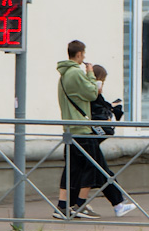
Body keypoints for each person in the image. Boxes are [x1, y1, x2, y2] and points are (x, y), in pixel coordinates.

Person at [55, 39, 99, 219]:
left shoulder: (63, 75)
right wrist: (90, 74)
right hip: (81, 129)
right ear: (79, 54)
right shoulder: (76, 73)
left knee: (71, 168)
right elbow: (92, 93)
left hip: (69, 129)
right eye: (83, 54)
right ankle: (80, 205)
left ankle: (62, 205)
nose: (84, 58)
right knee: (91, 166)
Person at [84, 64, 136, 217]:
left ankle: (117, 202)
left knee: (98, 170)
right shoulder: (92, 93)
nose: (102, 86)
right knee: (99, 171)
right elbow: (99, 112)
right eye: (102, 82)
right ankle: (117, 204)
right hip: (88, 138)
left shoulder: (89, 93)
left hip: (85, 138)